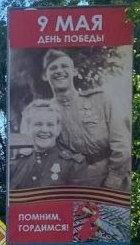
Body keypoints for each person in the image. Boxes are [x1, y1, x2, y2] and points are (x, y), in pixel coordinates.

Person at [41, 49, 131, 191]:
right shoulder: (46, 112)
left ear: (74, 71)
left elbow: (122, 143)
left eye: (64, 66)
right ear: (45, 76)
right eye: (53, 68)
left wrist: (114, 179)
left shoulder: (100, 99)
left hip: (112, 178)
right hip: (75, 183)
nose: (59, 71)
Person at [10, 100, 90, 189]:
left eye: (50, 125)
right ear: (29, 129)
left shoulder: (74, 165)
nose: (44, 130)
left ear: (58, 129)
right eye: (38, 124)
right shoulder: (18, 164)